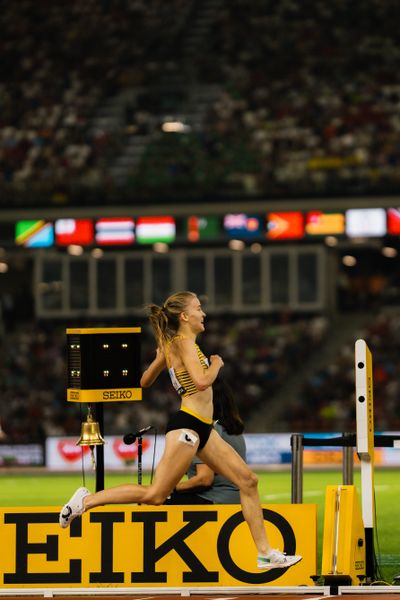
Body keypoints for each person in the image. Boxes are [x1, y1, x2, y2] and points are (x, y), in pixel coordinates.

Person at [59, 291, 302, 571]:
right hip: (188, 426)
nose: (204, 314)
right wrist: (216, 365)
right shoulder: (184, 341)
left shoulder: (174, 342)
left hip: (202, 428)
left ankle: (265, 553)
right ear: (185, 316)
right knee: (155, 496)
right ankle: (86, 501)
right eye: (199, 309)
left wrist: (163, 357)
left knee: (248, 481)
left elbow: (144, 380)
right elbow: (201, 382)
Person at [165, 378, 245, 504]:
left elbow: (204, 479)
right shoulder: (232, 429)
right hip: (237, 500)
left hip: (215, 498)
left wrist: (169, 488)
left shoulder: (208, 430)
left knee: (158, 501)